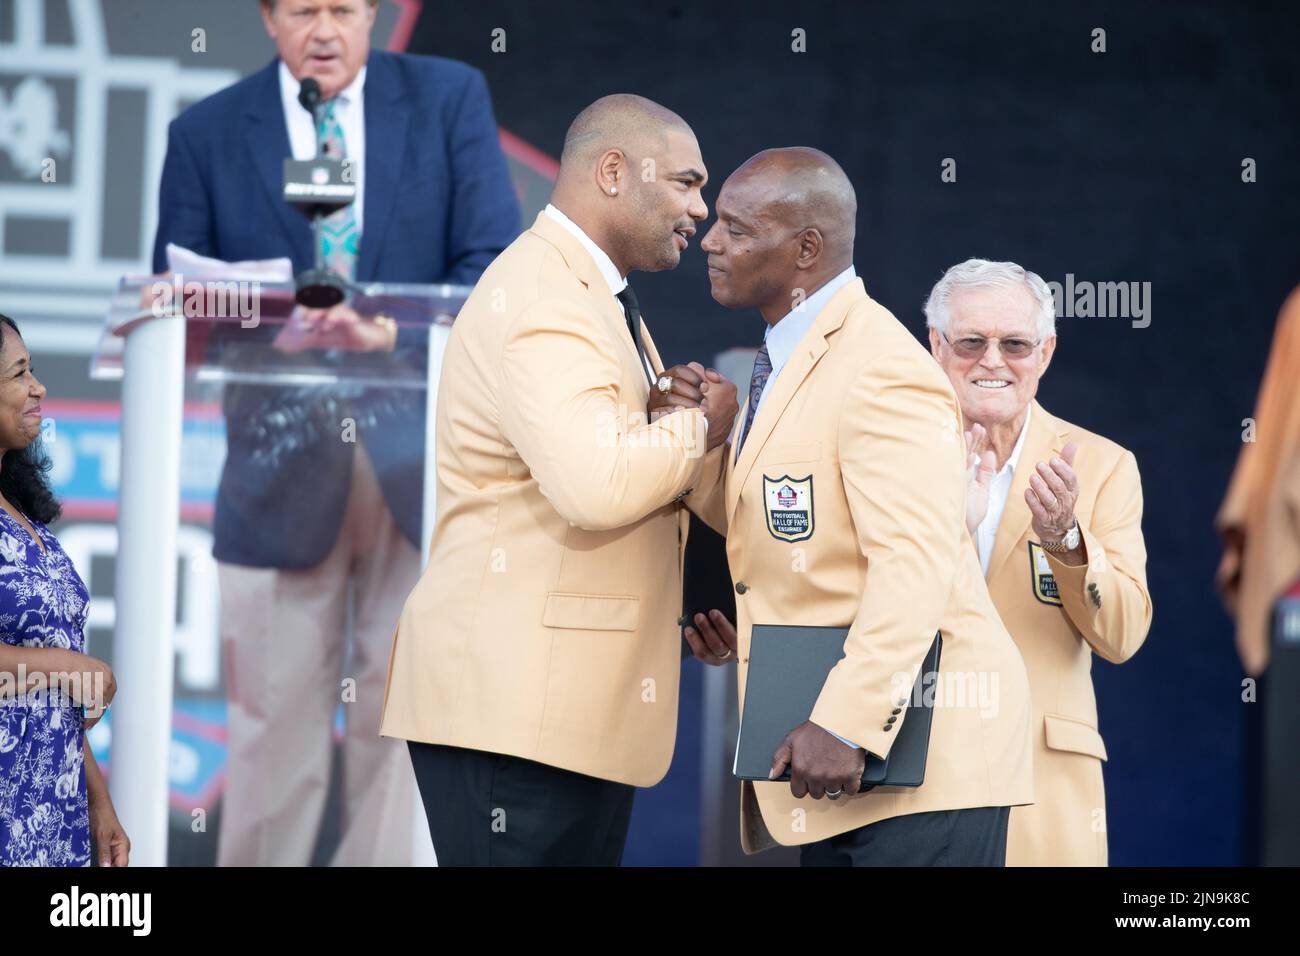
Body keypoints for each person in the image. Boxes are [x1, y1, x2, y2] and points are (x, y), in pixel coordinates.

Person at [151, 0, 520, 865]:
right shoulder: (206, 131)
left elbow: (497, 272)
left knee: (409, 720)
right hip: (277, 467)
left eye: (345, 9)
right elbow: (175, 297)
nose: (326, 28)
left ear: (372, 14)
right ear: (269, 18)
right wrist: (261, 319)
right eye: (305, 9)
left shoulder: (446, 99)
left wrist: (386, 330)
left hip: (419, 465)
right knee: (274, 727)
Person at [380, 94, 739, 866]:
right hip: (517, 715)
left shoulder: (589, 291)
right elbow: (595, 486)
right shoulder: (547, 297)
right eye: (685, 183)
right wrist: (697, 428)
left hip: (558, 711)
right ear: (614, 171)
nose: (700, 211)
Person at [666, 148, 1034, 865]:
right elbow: (783, 519)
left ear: (807, 249)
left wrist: (849, 722)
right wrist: (706, 446)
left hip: (918, 766)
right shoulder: (784, 360)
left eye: (737, 230)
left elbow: (916, 563)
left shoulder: (882, 370)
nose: (710, 241)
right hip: (853, 770)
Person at [925, 258, 1152, 866]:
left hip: (1043, 791)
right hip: (912, 784)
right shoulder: (894, 458)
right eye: (971, 341)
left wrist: (1066, 539)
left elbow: (1123, 634)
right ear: (936, 345)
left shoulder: (1103, 466)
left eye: (1015, 344)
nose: (992, 361)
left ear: (1046, 352)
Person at [0, 315, 129, 867]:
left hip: (55, 823)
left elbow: (50, 703)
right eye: (19, 373)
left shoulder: (21, 512)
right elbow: (55, 674)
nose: (38, 388)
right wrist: (63, 666)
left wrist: (97, 802)